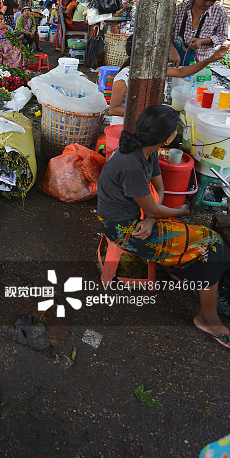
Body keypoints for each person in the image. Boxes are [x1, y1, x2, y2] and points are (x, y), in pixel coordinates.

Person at [97, 105, 230, 349]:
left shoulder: (148, 151)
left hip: (140, 219)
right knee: (212, 245)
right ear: (168, 137)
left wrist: (151, 218)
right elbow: (157, 206)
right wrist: (179, 211)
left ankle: (186, 270)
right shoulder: (131, 163)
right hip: (123, 230)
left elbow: (158, 191)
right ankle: (207, 318)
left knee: (209, 241)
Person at [109, 34, 228, 126]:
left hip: (144, 121)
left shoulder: (151, 69)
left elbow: (181, 73)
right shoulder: (123, 78)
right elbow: (113, 110)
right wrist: (146, 111)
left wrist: (210, 60)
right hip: (123, 126)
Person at [170, 0, 228, 65]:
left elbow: (222, 35)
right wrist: (172, 50)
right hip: (174, 61)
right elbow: (166, 34)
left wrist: (203, 41)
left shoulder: (220, 12)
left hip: (200, 63)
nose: (208, 3)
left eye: (212, 1)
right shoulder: (179, 9)